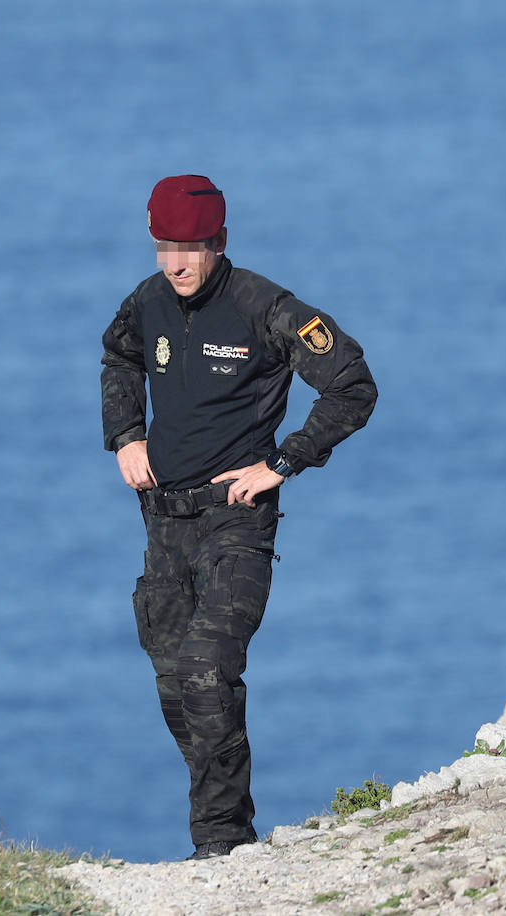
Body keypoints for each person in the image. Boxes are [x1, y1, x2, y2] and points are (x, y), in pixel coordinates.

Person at [100, 174, 377, 860]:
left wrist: (285, 463)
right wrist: (125, 433)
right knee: (175, 684)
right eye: (165, 246)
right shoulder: (147, 300)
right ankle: (229, 832)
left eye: (191, 248)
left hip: (238, 520)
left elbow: (353, 386)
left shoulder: (266, 307)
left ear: (220, 242)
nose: (177, 263)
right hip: (164, 520)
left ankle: (222, 846)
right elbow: (119, 355)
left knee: (205, 670)